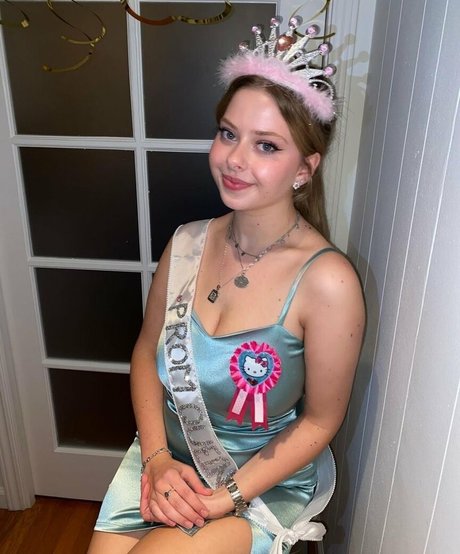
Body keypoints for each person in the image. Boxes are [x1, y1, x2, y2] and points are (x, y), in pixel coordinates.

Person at [88, 15, 365, 554]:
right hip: (167, 460)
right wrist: (156, 460)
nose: (235, 160)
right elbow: (145, 353)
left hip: (258, 481)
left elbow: (321, 420)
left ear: (305, 168)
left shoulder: (328, 282)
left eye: (267, 146)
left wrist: (226, 497)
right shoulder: (186, 244)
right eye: (228, 134)